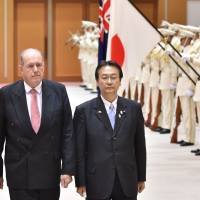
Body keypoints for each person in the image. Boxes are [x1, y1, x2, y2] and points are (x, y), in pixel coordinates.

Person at [0, 48, 75, 200]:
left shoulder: (58, 91)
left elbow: (68, 132)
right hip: (19, 173)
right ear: (20, 69)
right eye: (30, 66)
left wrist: (67, 168)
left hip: (49, 172)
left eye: (39, 65)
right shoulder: (6, 95)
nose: (36, 70)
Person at [74, 60, 146, 200]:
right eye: (104, 77)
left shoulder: (133, 109)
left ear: (120, 81)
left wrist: (141, 176)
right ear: (97, 81)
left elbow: (139, 146)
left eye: (113, 77)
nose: (109, 82)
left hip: (126, 177)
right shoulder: (84, 111)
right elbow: (79, 149)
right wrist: (80, 181)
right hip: (97, 179)